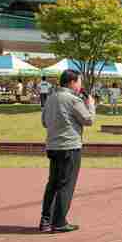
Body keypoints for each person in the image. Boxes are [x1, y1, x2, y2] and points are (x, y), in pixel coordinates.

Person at [40, 69, 95, 233]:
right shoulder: (73, 99)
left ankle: (46, 221)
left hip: (53, 146)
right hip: (70, 147)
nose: (80, 85)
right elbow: (89, 120)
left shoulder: (50, 98)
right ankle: (59, 222)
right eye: (79, 81)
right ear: (72, 82)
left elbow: (44, 122)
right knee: (66, 184)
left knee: (53, 184)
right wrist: (91, 106)